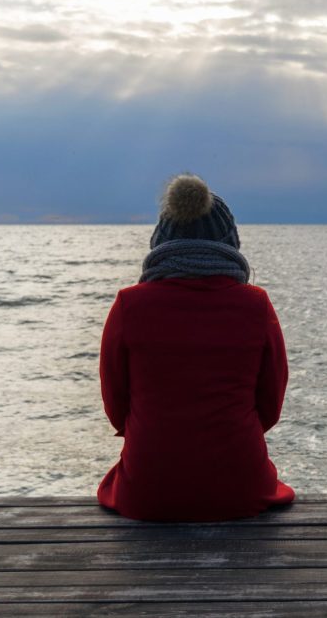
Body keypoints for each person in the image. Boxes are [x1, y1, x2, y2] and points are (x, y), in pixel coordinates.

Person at [97, 174, 294, 521]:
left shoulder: (130, 304)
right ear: (230, 241)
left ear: (160, 240)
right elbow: (270, 404)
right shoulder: (256, 304)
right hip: (240, 485)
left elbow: (116, 404)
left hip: (149, 487)